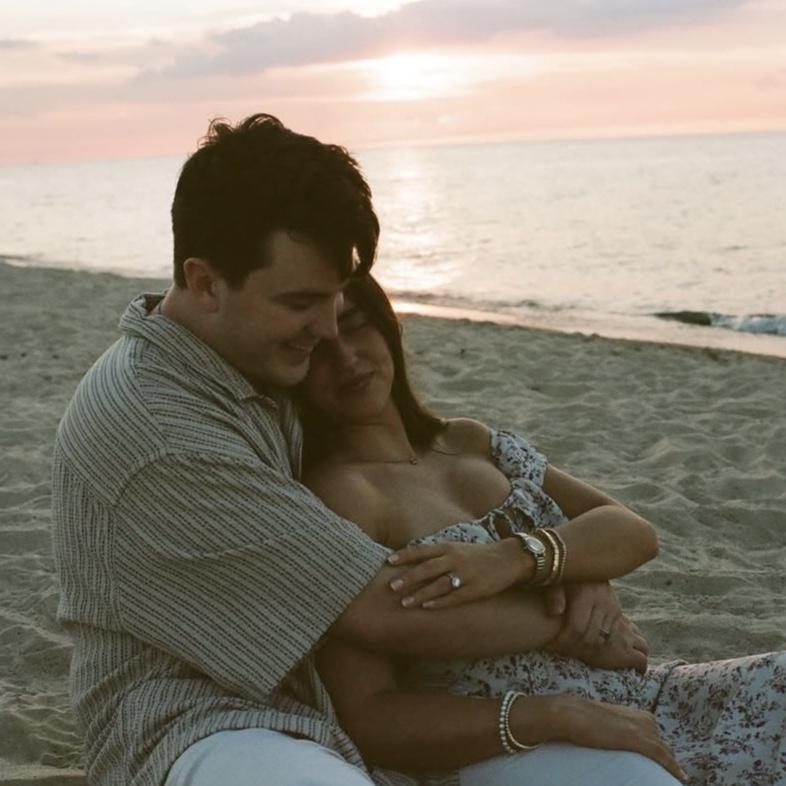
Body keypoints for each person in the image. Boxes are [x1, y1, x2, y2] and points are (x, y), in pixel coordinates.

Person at [51, 113, 646, 786]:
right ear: (206, 282)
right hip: (200, 719)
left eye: (337, 297)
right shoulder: (162, 431)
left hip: (340, 701)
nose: (329, 329)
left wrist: (552, 558)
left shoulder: (251, 360)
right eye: (302, 301)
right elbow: (386, 610)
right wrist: (565, 602)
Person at [296, 273, 786, 786]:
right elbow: (370, 714)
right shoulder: (342, 496)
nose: (345, 357)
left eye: (356, 325)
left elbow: (631, 531)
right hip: (517, 738)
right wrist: (553, 709)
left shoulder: (468, 441)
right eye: (319, 348)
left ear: (388, 325)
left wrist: (525, 560)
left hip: (638, 697)